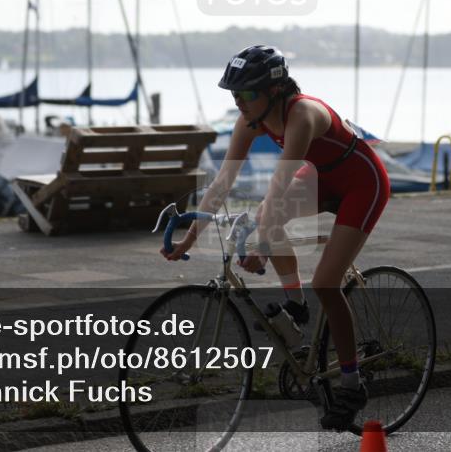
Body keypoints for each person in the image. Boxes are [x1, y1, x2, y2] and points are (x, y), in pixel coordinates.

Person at [162, 45, 391, 430]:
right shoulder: (249, 120)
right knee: (265, 217)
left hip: (361, 182)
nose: (239, 102)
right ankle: (295, 305)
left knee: (326, 283)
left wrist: (263, 249)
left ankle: (351, 385)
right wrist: (190, 237)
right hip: (322, 177)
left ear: (275, 90)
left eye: (247, 94)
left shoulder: (301, 114)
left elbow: (280, 183)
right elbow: (222, 183)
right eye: (234, 95)